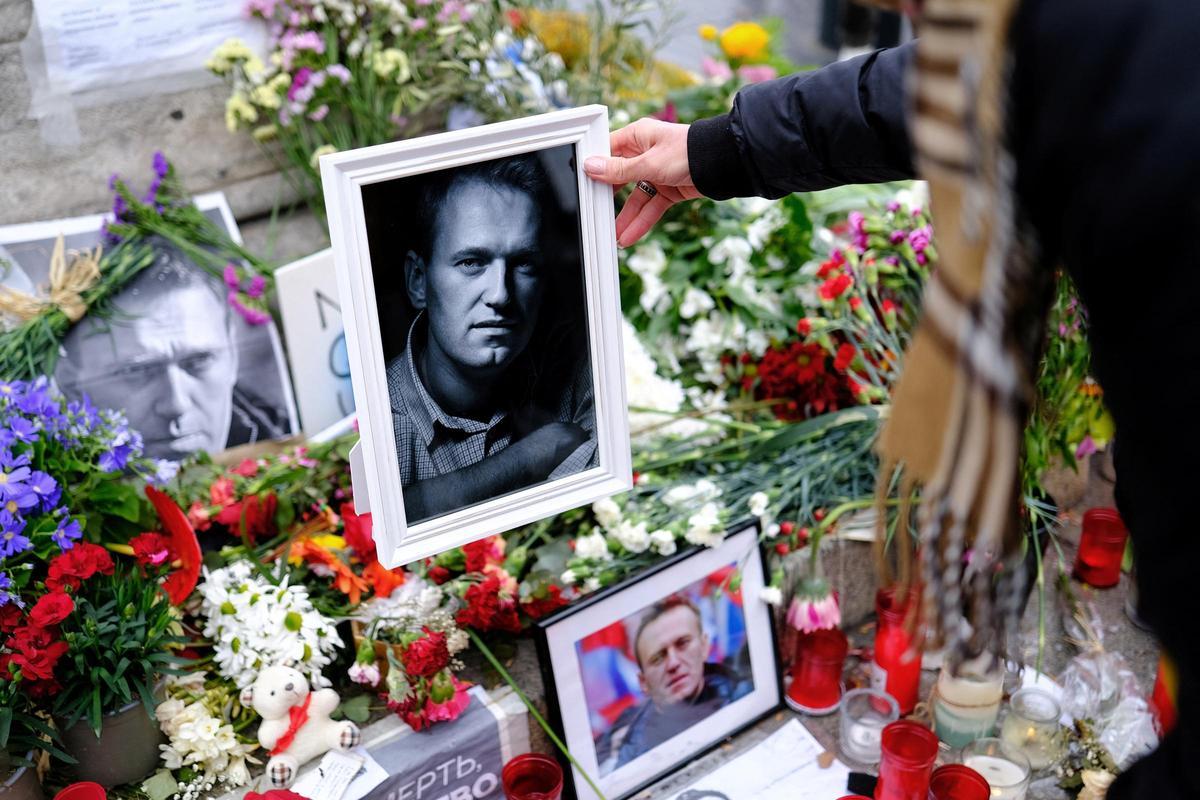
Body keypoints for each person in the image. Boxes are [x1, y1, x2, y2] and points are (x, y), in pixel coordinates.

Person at [585, 2, 1200, 797]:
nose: (901, 15)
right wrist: (716, 149)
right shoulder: (1070, 37)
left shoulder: (1151, 115)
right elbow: (941, 87)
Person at [386, 154, 596, 523]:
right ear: (418, 281)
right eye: (472, 263)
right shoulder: (381, 428)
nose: (500, 294)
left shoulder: (582, 371)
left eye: (523, 264)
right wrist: (533, 455)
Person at [53, 244, 286, 461]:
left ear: (233, 357)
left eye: (199, 360)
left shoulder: (293, 440)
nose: (177, 404)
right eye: (137, 370)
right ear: (70, 382)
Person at [595, 597, 751, 773]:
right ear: (643, 683)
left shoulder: (748, 694)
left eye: (683, 643)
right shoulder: (630, 755)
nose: (673, 663)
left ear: (705, 646)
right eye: (658, 658)